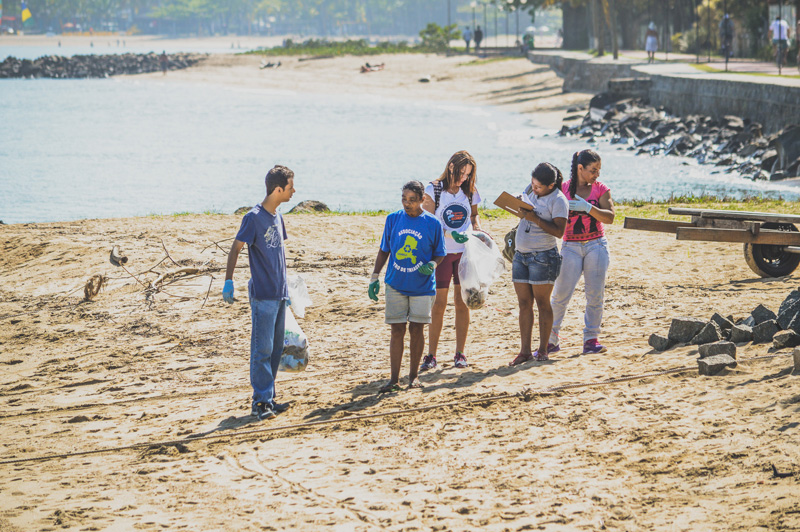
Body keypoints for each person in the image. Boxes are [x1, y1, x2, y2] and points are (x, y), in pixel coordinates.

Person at [223, 165, 296, 421]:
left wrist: (290, 287)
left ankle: (269, 397)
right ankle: (260, 403)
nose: (293, 191)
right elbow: (235, 248)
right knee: (262, 349)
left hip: (280, 293)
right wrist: (228, 281)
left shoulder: (277, 216)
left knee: (276, 349)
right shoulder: (253, 218)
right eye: (290, 187)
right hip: (263, 294)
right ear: (278, 189)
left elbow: (279, 255)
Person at [369, 181, 446, 392]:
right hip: (396, 284)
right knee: (397, 330)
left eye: (412, 200)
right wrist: (375, 277)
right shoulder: (393, 219)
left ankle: (413, 377)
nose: (407, 204)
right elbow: (384, 249)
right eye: (404, 199)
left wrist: (432, 264)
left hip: (422, 286)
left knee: (417, 329)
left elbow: (440, 253)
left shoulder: (433, 223)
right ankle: (393, 379)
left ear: (422, 200)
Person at [419, 150, 482, 371]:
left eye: (468, 174)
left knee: (462, 302)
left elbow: (474, 216)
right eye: (462, 173)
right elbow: (428, 222)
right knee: (439, 304)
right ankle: (431, 355)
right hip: (442, 254)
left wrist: (477, 229)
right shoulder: (433, 189)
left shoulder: (470, 190)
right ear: (452, 167)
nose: (464, 178)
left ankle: (460, 354)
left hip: (464, 254)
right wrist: (449, 234)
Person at [548, 150, 615, 355]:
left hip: (596, 245)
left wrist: (588, 207)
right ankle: (550, 340)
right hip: (570, 247)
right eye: (593, 170)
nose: (597, 175)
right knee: (560, 295)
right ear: (580, 168)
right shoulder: (563, 189)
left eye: (598, 170)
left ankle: (591, 340)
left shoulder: (601, 189)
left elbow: (610, 217)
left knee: (595, 295)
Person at [509, 163, 569, 366]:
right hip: (521, 255)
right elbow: (524, 214)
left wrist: (534, 218)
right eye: (532, 184)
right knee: (524, 304)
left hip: (543, 257)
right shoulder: (530, 191)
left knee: (543, 303)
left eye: (538, 187)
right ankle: (524, 351)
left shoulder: (559, 200)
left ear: (551, 185)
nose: (533, 189)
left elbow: (559, 232)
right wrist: (517, 206)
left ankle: (543, 350)